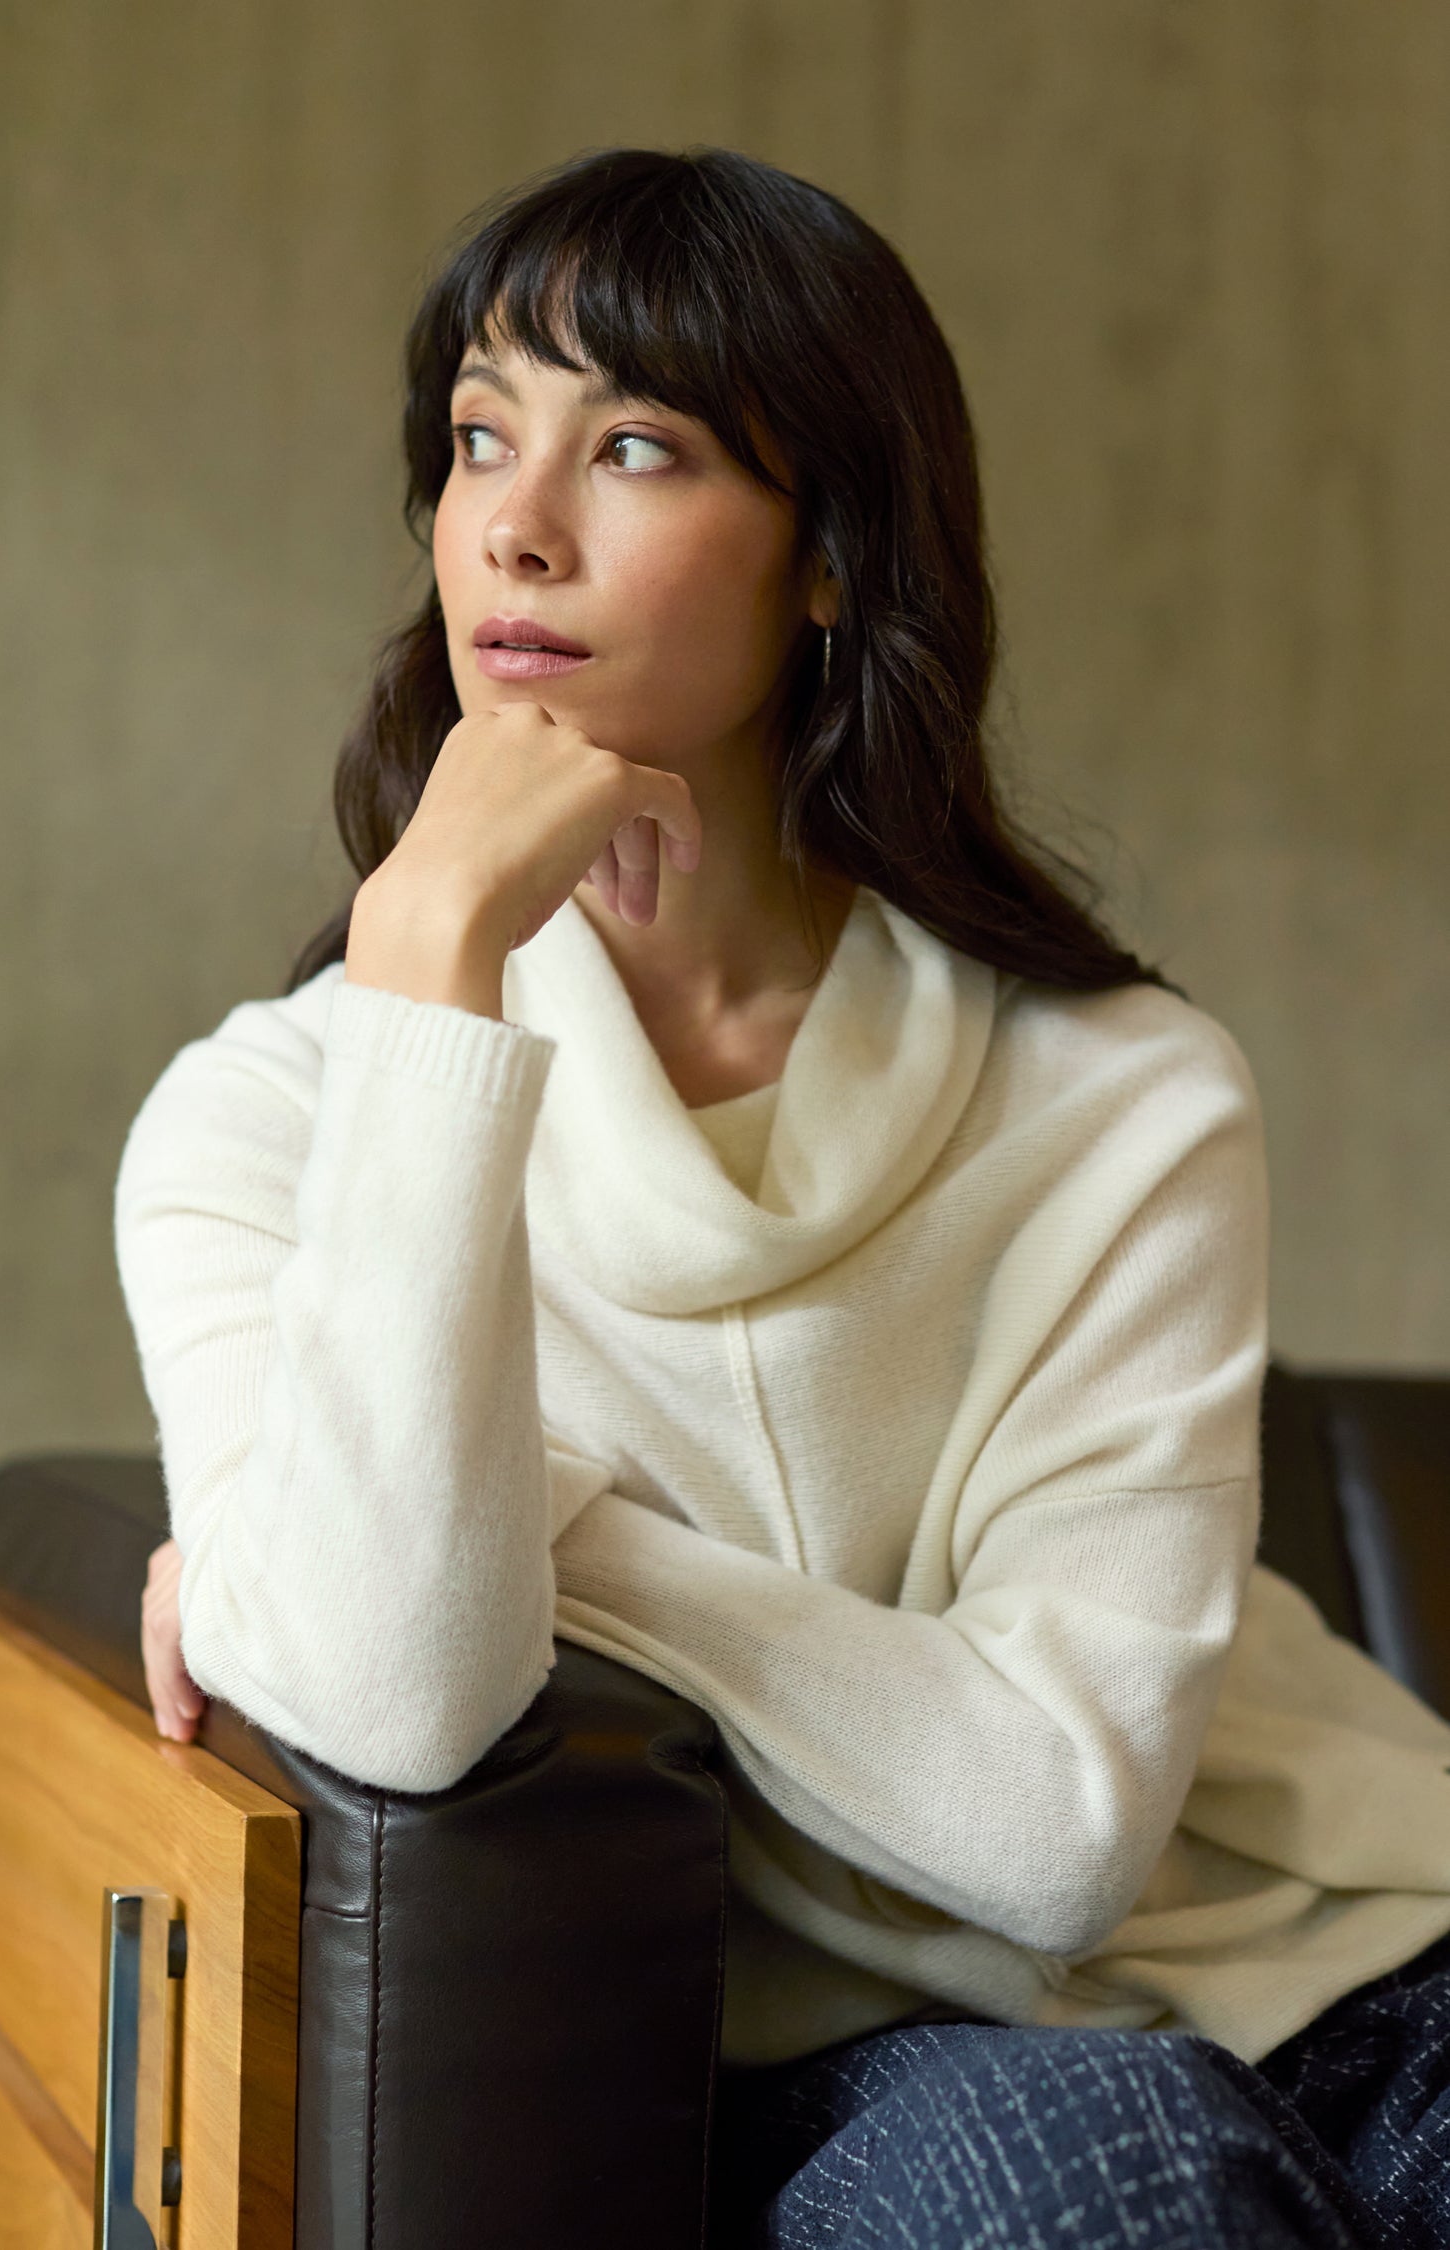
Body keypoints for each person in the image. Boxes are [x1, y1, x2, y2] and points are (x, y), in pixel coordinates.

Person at [118, 146, 1450, 2247]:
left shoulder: (1123, 1095)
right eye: (479, 438)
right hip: (838, 2059)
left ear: (827, 556)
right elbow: (393, 1692)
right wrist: (432, 961)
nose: (518, 523)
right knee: (1117, 2186)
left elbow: (1064, 1825)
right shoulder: (266, 1125)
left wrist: (547, 1527)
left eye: (633, 444)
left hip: (1350, 1957)